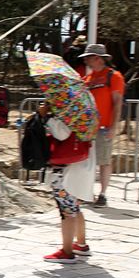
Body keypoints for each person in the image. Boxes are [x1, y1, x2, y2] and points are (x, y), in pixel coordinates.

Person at [42, 101, 95, 263]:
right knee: (75, 207)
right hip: (81, 164)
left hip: (68, 169)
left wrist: (47, 117)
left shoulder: (70, 108)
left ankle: (67, 251)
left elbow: (62, 134)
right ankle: (81, 244)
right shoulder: (86, 107)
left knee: (67, 211)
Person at [80, 43, 125, 207]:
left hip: (104, 126)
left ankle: (103, 193)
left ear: (97, 58)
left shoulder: (113, 76)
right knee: (87, 161)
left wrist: (114, 127)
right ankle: (87, 192)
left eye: (88, 57)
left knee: (104, 160)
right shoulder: (86, 79)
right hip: (87, 128)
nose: (85, 60)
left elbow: (117, 102)